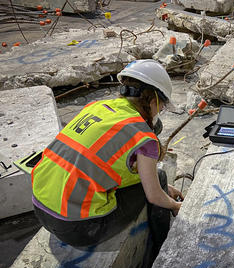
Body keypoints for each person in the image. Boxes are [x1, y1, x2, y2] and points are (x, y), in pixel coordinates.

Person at [31, 59, 183, 252]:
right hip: (80, 227)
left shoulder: (95, 108)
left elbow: (100, 162)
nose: (160, 111)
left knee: (156, 182)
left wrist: (161, 187)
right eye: (161, 106)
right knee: (159, 177)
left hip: (40, 208)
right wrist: (174, 205)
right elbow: (153, 196)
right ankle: (162, 247)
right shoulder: (143, 136)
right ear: (153, 100)